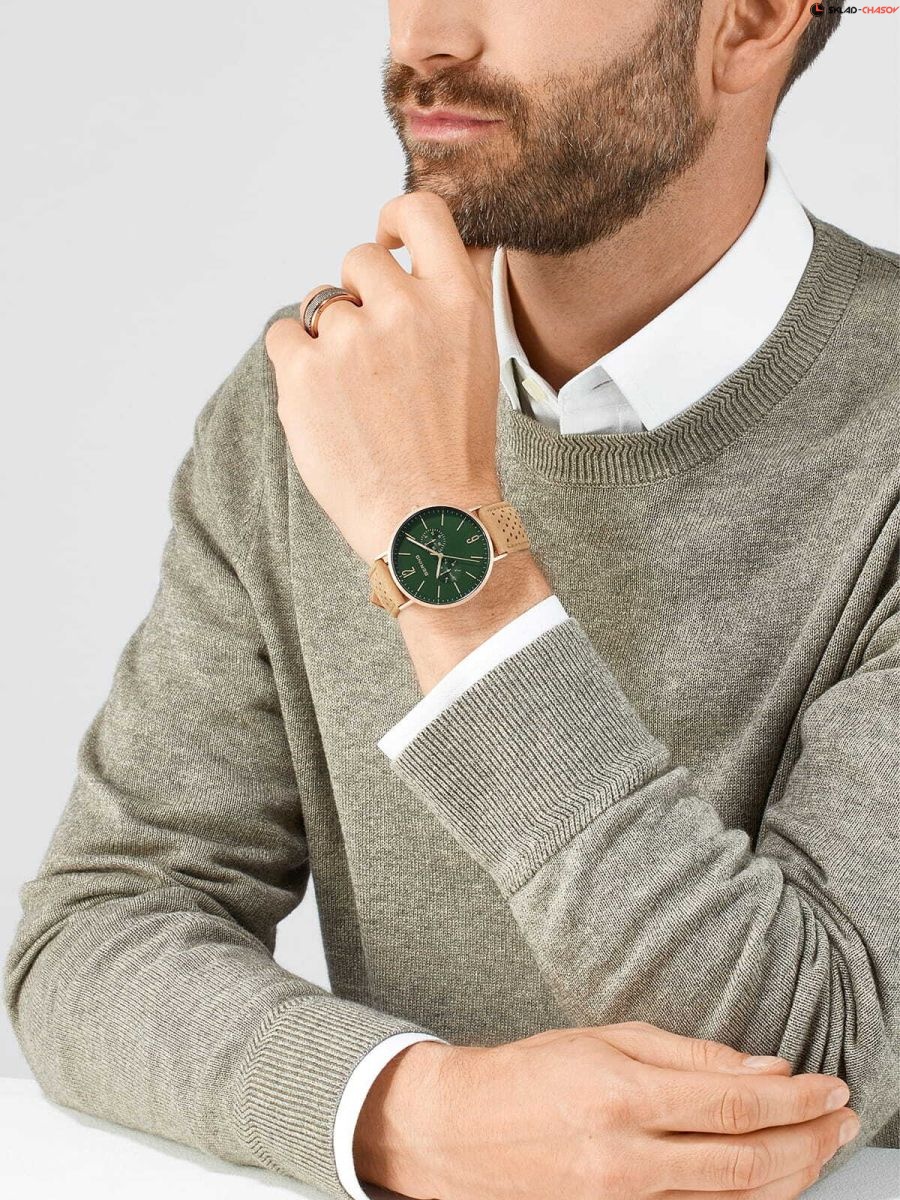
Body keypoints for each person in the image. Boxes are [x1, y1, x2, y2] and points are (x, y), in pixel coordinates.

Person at [5, 2, 898, 1198]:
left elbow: (800, 1073)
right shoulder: (312, 401)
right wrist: (412, 1113)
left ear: (755, 20)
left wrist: (442, 535)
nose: (426, 35)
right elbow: (97, 930)